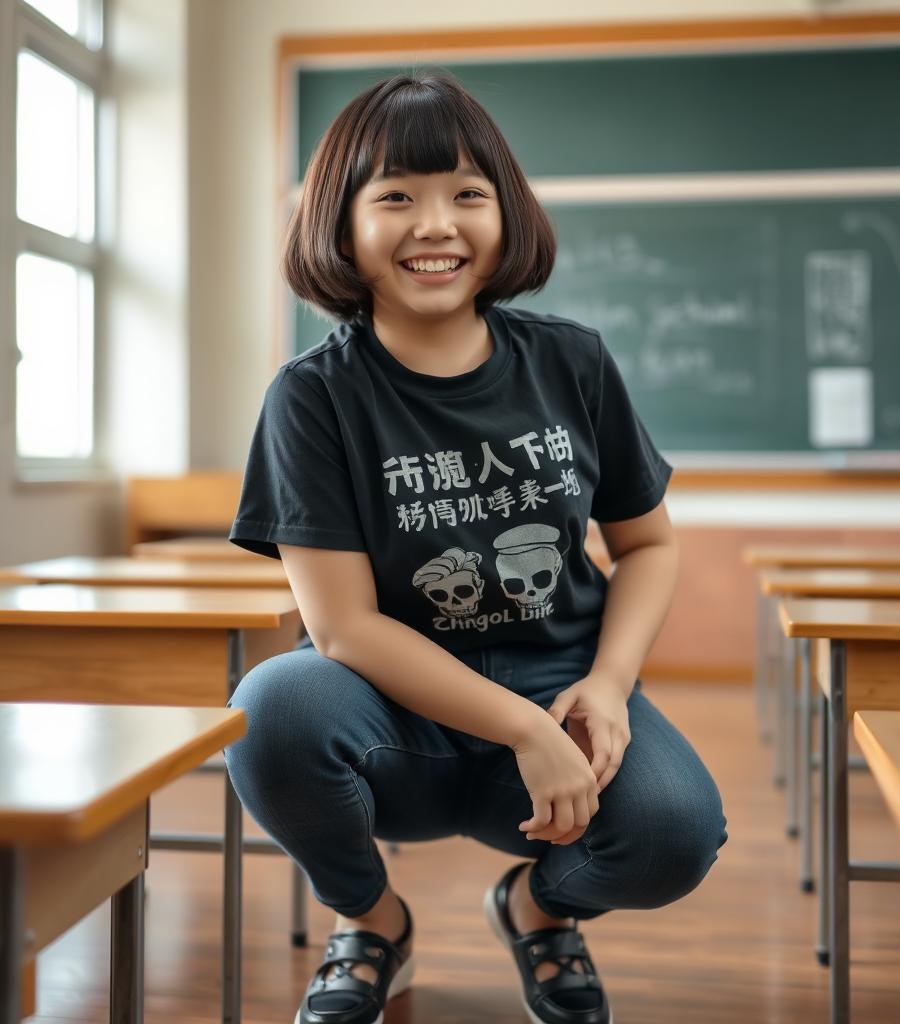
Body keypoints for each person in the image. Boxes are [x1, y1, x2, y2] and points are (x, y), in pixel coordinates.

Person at [226, 69, 727, 1024]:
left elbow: (649, 545)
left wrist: (608, 686)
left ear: (507, 214)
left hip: (561, 691)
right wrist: (525, 729)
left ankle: (537, 913)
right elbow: (342, 630)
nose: (435, 225)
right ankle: (373, 925)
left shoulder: (570, 361)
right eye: (397, 197)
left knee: (674, 833)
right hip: (390, 717)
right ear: (342, 223)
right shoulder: (312, 395)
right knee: (271, 709)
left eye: (467, 193)